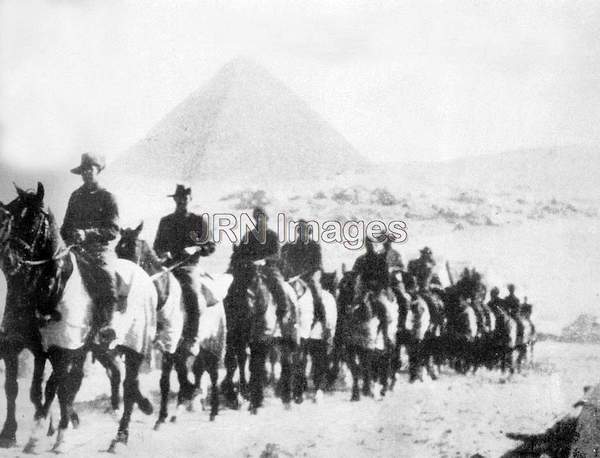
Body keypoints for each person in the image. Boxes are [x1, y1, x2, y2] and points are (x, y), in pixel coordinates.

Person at [60, 153, 119, 344]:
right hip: (75, 249)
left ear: (98, 171)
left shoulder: (107, 196)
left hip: (98, 250)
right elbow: (65, 226)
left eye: (90, 169)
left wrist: (87, 234)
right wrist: (68, 238)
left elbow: (113, 229)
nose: (86, 173)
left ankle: (106, 325)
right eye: (83, 170)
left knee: (106, 277)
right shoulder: (75, 196)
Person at [153, 185, 215, 354]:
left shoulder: (198, 221)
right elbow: (157, 245)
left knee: (192, 294)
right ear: (175, 200)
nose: (182, 202)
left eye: (185, 199)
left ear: (190, 199)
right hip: (168, 266)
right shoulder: (165, 221)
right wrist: (162, 253)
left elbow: (210, 246)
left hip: (188, 267)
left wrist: (195, 248)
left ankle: (192, 338)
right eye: (179, 199)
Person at [229, 206, 292, 320]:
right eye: (257, 218)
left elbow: (277, 255)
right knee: (233, 287)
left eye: (261, 218)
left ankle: (283, 311)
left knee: (278, 284)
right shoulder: (249, 235)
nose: (259, 220)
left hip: (268, 268)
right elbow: (242, 252)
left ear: (266, 219)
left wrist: (264, 260)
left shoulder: (272, 235)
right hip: (250, 268)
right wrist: (238, 252)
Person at [282, 220, 325, 330]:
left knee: (314, 285)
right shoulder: (290, 246)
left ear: (308, 232)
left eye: (305, 230)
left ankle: (320, 314)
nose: (302, 233)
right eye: (300, 230)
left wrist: (303, 275)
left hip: (310, 274)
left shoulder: (315, 246)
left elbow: (317, 265)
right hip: (293, 276)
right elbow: (285, 262)